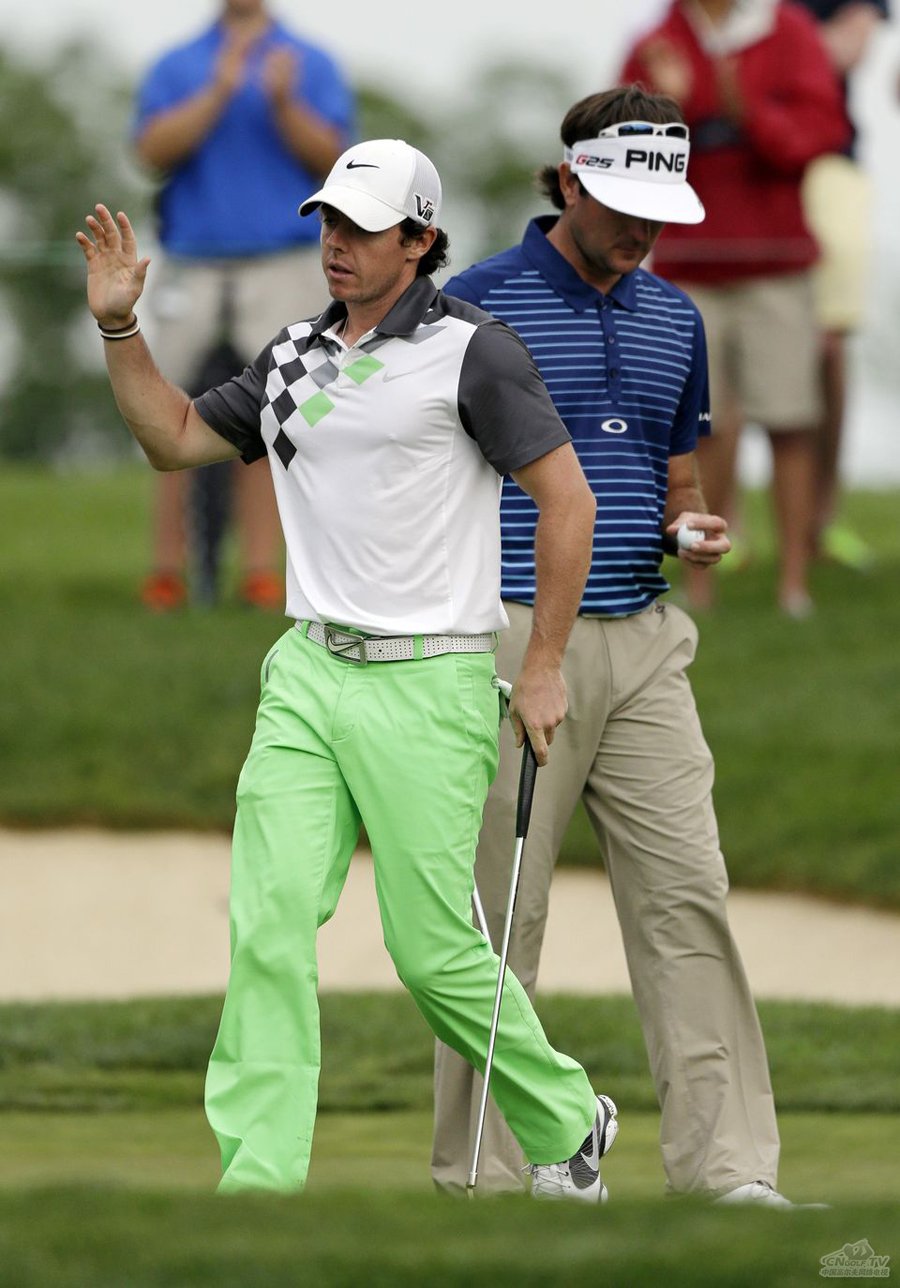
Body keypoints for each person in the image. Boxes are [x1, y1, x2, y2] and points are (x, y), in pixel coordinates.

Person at [75, 138, 620, 1200]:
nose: (337, 242)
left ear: (418, 240)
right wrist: (119, 328)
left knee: (431, 952)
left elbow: (569, 501)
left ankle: (565, 1115)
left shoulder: (474, 352)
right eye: (328, 221)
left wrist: (545, 664)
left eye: (363, 227)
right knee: (268, 923)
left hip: (431, 682)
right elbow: (174, 439)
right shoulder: (293, 355)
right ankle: (259, 1184)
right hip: (308, 672)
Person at [430, 84, 814, 1208]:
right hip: (507, 636)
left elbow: (672, 475)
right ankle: (490, 1176)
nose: (643, 229)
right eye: (623, 206)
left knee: (688, 898)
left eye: (659, 210)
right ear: (568, 182)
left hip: (645, 638)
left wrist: (687, 527)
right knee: (502, 914)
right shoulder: (471, 307)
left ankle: (728, 1169)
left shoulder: (675, 319)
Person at [620, 0, 850, 616]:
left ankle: (793, 585)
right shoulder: (659, 39)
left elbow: (821, 135)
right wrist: (673, 109)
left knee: (791, 421)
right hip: (688, 271)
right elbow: (623, 158)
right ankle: (701, 588)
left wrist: (745, 107)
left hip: (778, 265)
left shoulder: (790, 31)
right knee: (702, 429)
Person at [132, 0, 354, 611]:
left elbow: (335, 161)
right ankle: (166, 573)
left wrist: (284, 103)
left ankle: (261, 572)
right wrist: (219, 90)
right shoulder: (178, 63)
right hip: (193, 260)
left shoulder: (310, 62)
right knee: (166, 413)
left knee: (278, 416)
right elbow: (150, 152)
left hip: (283, 261)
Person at [796, 0, 889, 570]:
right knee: (719, 349)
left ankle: (821, 519)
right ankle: (716, 519)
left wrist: (761, 49)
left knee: (827, 346)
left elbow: (848, 50)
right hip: (741, 173)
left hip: (831, 167)